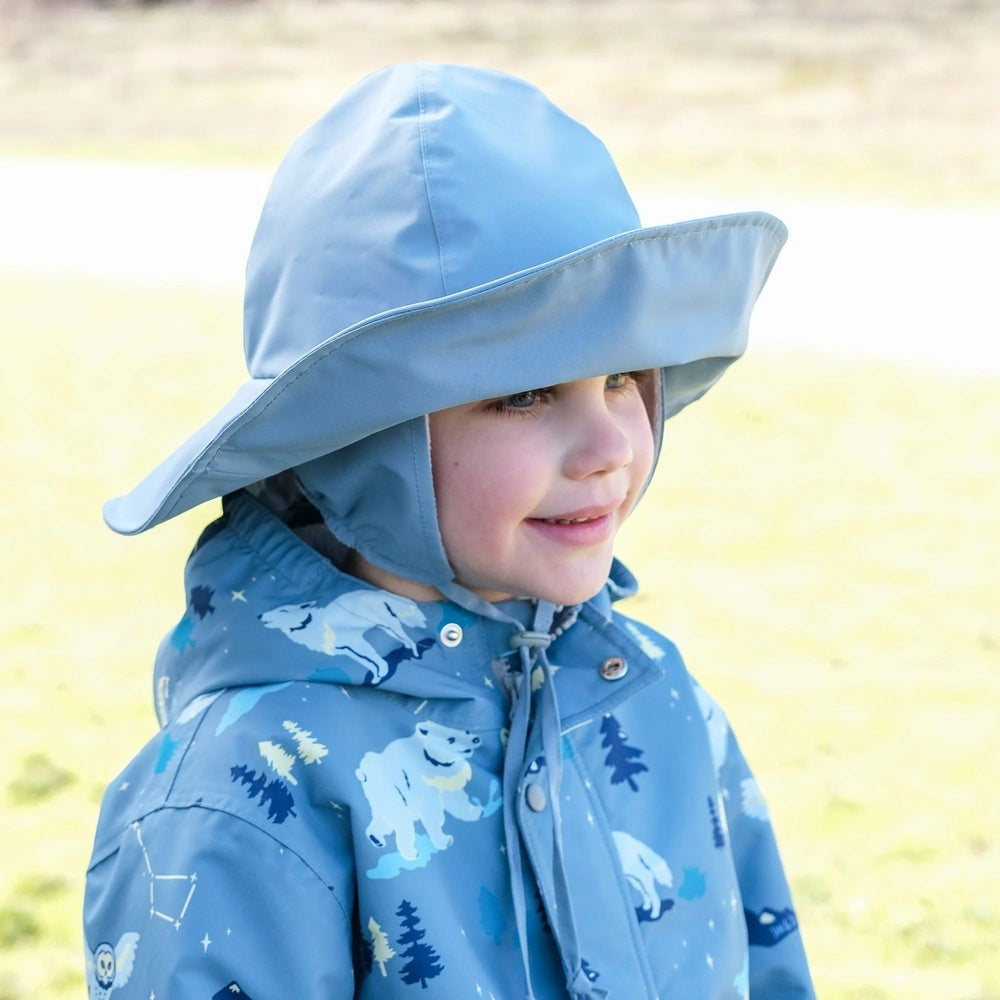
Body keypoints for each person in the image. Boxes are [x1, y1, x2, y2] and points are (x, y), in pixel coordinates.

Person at [84, 62, 814, 1000]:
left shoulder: (654, 701)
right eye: (524, 394)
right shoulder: (244, 793)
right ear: (362, 440)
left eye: (625, 379)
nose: (607, 446)